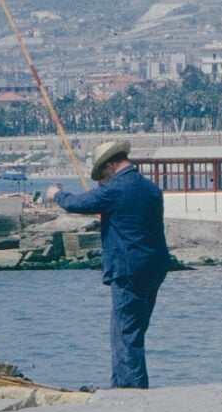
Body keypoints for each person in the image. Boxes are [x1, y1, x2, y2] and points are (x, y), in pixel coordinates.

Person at [44, 137, 172, 388]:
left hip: (127, 268)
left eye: (103, 173)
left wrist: (56, 193)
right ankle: (123, 385)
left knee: (125, 333)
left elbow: (76, 203)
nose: (103, 178)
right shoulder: (150, 189)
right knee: (131, 331)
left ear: (111, 164)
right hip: (154, 266)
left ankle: (130, 391)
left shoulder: (115, 190)